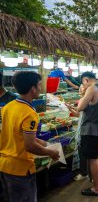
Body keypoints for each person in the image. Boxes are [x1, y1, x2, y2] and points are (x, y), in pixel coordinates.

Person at [0, 72, 60, 202]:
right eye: (39, 85)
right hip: (20, 169)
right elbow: (29, 146)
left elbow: (16, 135)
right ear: (33, 89)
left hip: (4, 166)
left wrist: (41, 142)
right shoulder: (29, 113)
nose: (40, 88)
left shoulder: (8, 107)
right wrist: (51, 152)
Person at [66, 85, 89, 181]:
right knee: (83, 152)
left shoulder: (86, 100)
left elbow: (80, 113)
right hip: (82, 129)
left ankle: (85, 173)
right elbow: (79, 114)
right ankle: (86, 172)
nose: (80, 89)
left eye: (82, 88)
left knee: (84, 153)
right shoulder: (84, 99)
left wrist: (71, 108)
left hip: (85, 130)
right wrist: (70, 108)